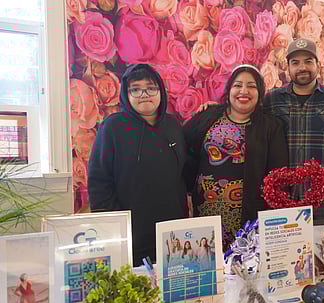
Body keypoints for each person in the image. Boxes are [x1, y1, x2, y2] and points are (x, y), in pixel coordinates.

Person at [88, 64, 187, 266]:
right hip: (131, 235)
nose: (144, 94)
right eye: (135, 89)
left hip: (172, 233)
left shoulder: (172, 126)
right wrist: (116, 228)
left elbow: (184, 174)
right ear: (126, 93)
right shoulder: (113, 127)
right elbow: (99, 183)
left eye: (151, 88)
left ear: (160, 91)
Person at [183, 64, 288, 249]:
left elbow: (277, 175)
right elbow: (183, 148)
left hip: (248, 215)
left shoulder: (270, 127)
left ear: (260, 92)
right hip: (205, 211)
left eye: (251, 86)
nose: (244, 91)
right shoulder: (209, 115)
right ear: (229, 89)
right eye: (237, 85)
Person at [264, 39, 324, 219]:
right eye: (295, 62)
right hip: (281, 203)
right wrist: (215, 110)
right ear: (288, 67)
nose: (302, 67)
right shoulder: (272, 100)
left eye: (308, 61)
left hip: (321, 204)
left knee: (321, 247)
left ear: (318, 64)